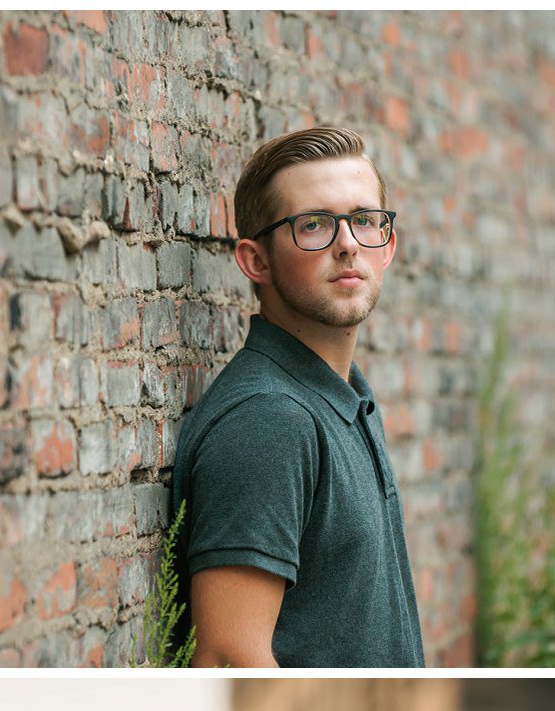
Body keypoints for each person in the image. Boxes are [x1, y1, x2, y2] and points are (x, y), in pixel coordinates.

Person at [169, 126, 424, 669]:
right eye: (314, 224)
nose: (348, 243)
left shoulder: (342, 397)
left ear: (388, 246)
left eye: (364, 220)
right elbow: (228, 662)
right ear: (255, 261)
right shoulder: (270, 420)